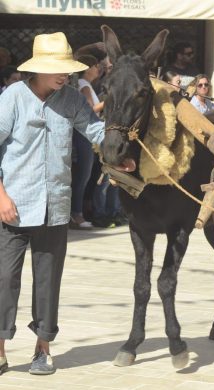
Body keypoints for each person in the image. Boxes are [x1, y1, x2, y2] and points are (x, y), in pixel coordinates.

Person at [0, 32, 104, 375]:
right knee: (4, 279)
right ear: (38, 69)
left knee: (48, 280)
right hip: (12, 205)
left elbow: (97, 132)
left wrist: (123, 150)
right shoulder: (12, 97)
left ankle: (42, 348)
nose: (65, 76)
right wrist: (0, 196)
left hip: (55, 208)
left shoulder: (73, 100)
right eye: (58, 70)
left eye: (68, 70)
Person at [70, 54, 104, 229]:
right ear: (87, 68)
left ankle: (78, 212)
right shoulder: (84, 85)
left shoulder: (87, 85)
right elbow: (90, 111)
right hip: (84, 135)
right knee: (83, 175)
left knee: (85, 175)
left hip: (88, 134)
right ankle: (77, 213)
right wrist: (107, 101)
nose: (98, 68)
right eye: (95, 65)